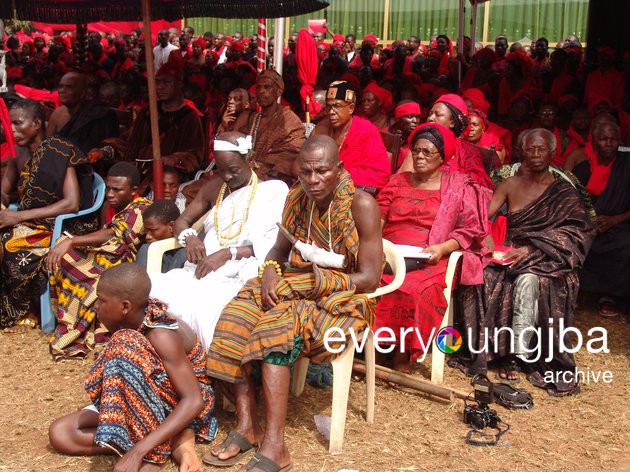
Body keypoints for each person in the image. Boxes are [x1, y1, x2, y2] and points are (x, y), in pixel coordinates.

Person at [203, 135, 382, 470]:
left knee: (276, 328)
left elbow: (370, 278)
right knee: (235, 315)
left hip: (340, 298)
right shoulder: (297, 198)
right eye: (306, 172)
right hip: (293, 283)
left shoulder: (362, 205)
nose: (313, 181)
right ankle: (247, 426)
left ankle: (276, 445)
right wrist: (270, 271)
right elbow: (277, 252)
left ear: (338, 168)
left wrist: (315, 283)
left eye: (322, 172)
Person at [456, 129, 595, 396]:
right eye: (529, 149)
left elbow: (579, 232)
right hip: (510, 253)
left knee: (537, 282)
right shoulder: (510, 184)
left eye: (541, 149)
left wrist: (534, 248)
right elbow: (483, 218)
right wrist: (488, 242)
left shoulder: (563, 191)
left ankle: (524, 355)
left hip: (547, 257)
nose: (535, 154)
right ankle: (501, 355)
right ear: (521, 151)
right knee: (483, 276)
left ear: (552, 153)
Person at [48, 263, 218, 471]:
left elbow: (194, 400)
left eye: (102, 300)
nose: (96, 306)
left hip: (182, 403)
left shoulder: (160, 334)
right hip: (143, 401)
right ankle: (170, 441)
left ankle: (151, 450)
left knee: (124, 343)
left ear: (125, 307)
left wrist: (136, 453)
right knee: (61, 433)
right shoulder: (133, 321)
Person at [150, 132, 288, 351]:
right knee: (156, 290)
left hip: (239, 268)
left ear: (249, 160)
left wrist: (227, 254)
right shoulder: (214, 187)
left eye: (233, 170)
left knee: (207, 306)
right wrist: (191, 237)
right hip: (202, 267)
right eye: (221, 170)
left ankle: (200, 359)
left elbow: (270, 245)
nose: (227, 177)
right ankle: (163, 351)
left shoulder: (271, 191)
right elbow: (182, 221)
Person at [373, 123, 489, 373]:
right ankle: (375, 350)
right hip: (390, 251)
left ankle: (402, 356)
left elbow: (469, 228)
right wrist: (376, 246)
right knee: (373, 280)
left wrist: (443, 248)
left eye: (427, 152)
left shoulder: (458, 186)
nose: (419, 156)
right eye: (415, 151)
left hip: (430, 256)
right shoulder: (398, 181)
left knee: (411, 289)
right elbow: (378, 217)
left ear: (443, 157)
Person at [1, 99, 96, 333]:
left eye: (17, 123)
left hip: (61, 226)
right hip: (31, 221)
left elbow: (71, 203)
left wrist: (20, 216)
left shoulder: (58, 150)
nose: (10, 129)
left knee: (9, 244)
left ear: (35, 124)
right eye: (8, 124)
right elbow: (5, 190)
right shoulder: (18, 155)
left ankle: (27, 312)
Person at [47, 162, 152, 360]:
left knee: (74, 255)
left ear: (134, 190)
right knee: (65, 255)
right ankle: (75, 322)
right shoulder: (110, 206)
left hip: (127, 266)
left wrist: (73, 241)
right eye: (109, 188)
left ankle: (82, 329)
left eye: (117, 189)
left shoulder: (141, 208)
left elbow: (115, 235)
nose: (110, 194)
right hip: (109, 255)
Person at [568, 122, 630, 316]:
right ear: (594, 142)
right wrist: (588, 221)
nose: (609, 143)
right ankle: (572, 291)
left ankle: (611, 296)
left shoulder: (626, 164)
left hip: (619, 224)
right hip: (586, 224)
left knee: (626, 243)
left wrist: (615, 220)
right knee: (570, 240)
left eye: (613, 139)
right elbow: (568, 199)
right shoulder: (583, 166)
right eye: (604, 139)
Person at [311, 80, 391, 194]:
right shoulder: (323, 127)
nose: (331, 112)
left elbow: (380, 174)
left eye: (337, 106)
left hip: (351, 194)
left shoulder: (367, 131)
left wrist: (339, 174)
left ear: (351, 108)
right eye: (329, 107)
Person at [399, 93, 494, 189]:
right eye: (430, 114)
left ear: (452, 122)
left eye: (438, 115)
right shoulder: (421, 143)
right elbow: (403, 179)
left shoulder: (467, 152)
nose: (430, 118)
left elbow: (476, 186)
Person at [231, 69, 305, 186]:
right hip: (241, 172)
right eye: (258, 87)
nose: (261, 91)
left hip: (267, 180)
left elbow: (290, 154)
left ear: (279, 92)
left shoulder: (290, 120)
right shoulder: (251, 117)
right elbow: (232, 145)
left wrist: (257, 168)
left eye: (267, 87)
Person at [46, 71, 119, 154]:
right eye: (61, 86)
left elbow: (108, 148)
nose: (62, 91)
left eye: (69, 87)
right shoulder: (57, 113)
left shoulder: (99, 115)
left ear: (82, 93)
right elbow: (47, 146)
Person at [135, 199, 183, 273]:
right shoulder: (147, 250)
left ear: (171, 226)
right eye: (146, 230)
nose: (147, 236)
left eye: (153, 230)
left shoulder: (185, 252)